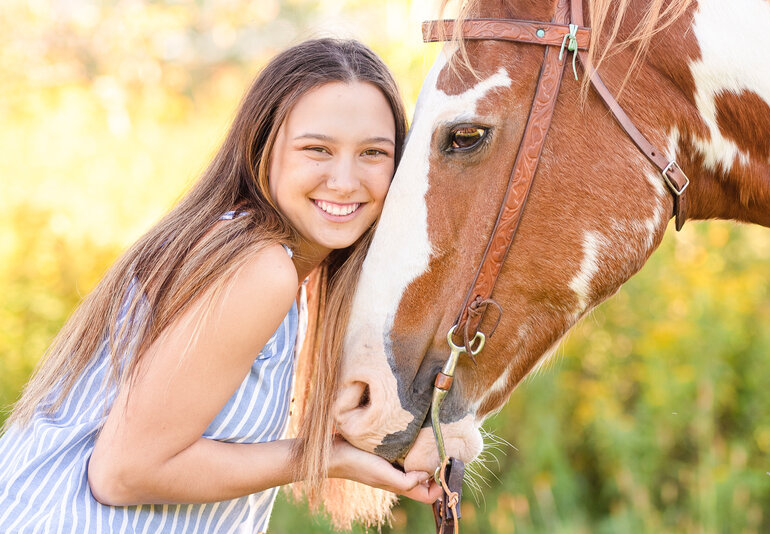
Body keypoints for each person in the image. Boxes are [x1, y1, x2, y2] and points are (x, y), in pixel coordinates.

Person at [0, 38, 440, 532]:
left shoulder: (260, 259)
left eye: (373, 153)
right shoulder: (258, 268)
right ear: (262, 147)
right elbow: (124, 473)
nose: (344, 180)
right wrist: (323, 457)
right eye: (317, 149)